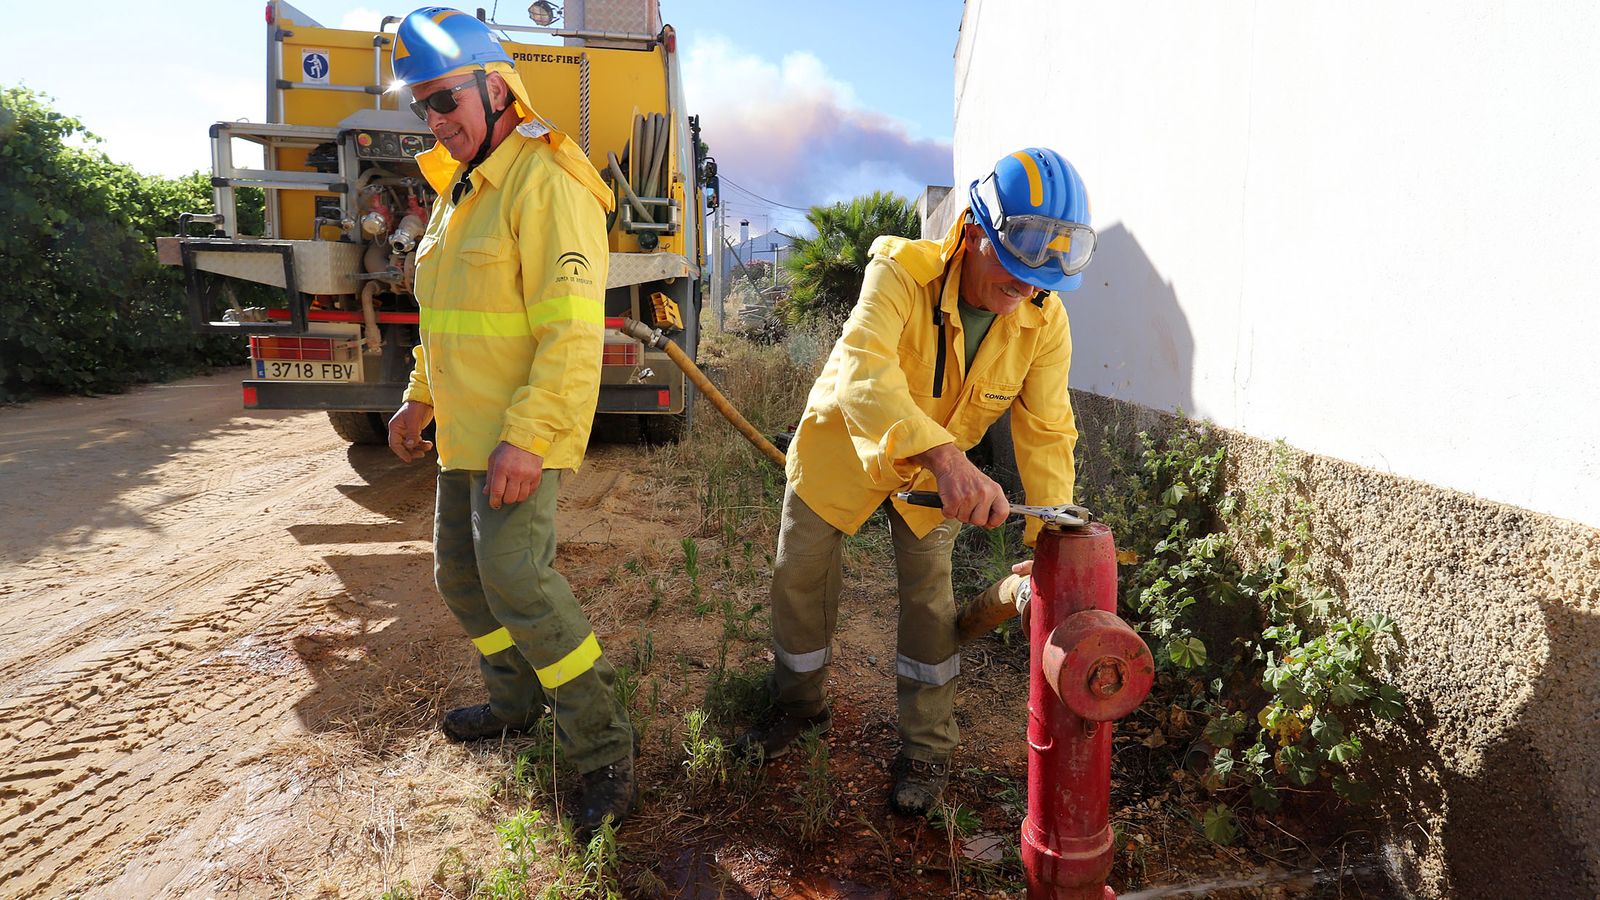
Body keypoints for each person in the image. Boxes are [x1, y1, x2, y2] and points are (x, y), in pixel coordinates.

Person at [739, 148, 1096, 816]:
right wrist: (945, 457)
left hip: (938, 476)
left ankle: (926, 753)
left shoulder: (1045, 319)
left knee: (930, 610)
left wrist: (1049, 537)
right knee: (799, 581)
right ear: (969, 233)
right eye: (1013, 265)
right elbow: (863, 370)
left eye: (1041, 276)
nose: (1025, 286)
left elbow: (1049, 431)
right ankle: (798, 708)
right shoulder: (899, 269)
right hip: (846, 446)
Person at [384, 7, 634, 839]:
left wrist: (529, 437)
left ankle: (602, 749)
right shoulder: (458, 189)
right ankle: (516, 703)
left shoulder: (546, 178)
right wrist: (421, 395)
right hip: (462, 434)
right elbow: (446, 315)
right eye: (424, 105)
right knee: (462, 580)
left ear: (497, 86)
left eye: (447, 98)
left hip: (513, 439)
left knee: (521, 584)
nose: (437, 120)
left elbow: (570, 331)